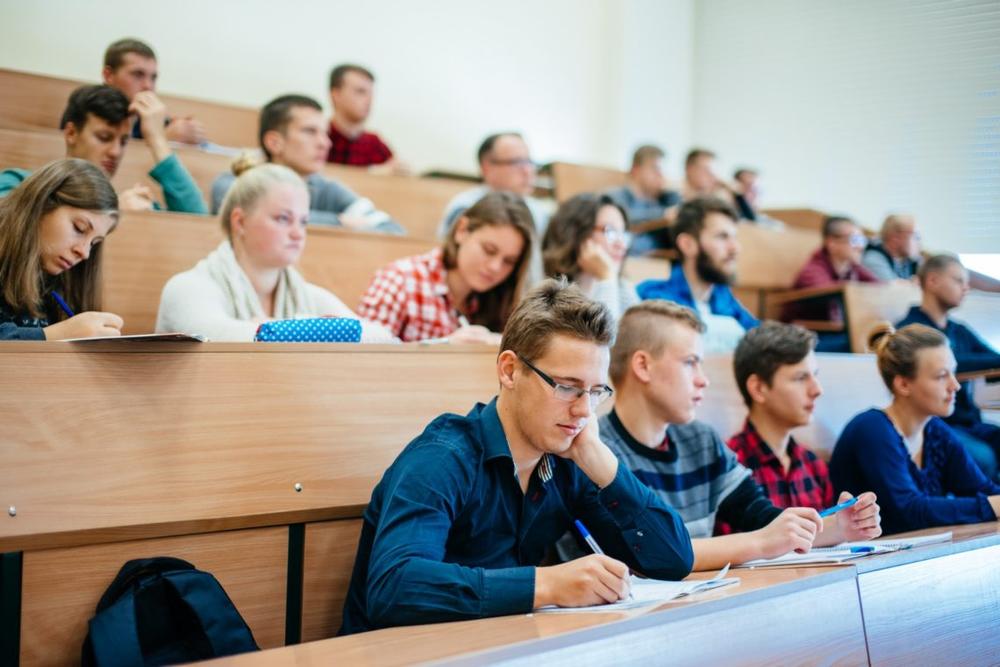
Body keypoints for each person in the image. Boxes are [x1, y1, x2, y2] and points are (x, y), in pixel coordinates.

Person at [340, 280, 694, 634]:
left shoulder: (569, 460)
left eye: (596, 391)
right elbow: (394, 587)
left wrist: (602, 462)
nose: (584, 410)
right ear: (509, 370)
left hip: (499, 648)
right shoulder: (442, 457)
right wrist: (546, 584)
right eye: (567, 387)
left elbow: (673, 561)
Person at [601, 301, 879, 570]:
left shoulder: (701, 440)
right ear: (643, 366)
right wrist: (761, 542)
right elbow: (644, 556)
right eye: (690, 362)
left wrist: (839, 527)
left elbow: (761, 518)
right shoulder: (599, 453)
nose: (703, 380)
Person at [157, 162, 394, 342]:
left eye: (303, 221)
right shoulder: (186, 287)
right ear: (240, 221)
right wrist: (309, 330)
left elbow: (383, 339)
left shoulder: (310, 295)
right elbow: (215, 336)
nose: (298, 233)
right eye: (283, 218)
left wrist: (281, 328)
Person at [829, 324, 1000, 535]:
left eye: (953, 372)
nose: (955, 385)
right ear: (903, 385)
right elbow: (909, 510)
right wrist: (991, 505)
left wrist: (994, 502)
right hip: (870, 554)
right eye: (941, 376)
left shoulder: (935, 430)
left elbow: (985, 490)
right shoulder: (871, 429)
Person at [211, 95, 402, 234]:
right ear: (274, 143)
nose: (325, 143)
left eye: (325, 133)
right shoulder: (233, 184)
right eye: (310, 132)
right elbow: (258, 216)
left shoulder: (327, 189)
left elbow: (392, 229)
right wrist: (339, 223)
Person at [0, 85, 206, 214]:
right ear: (71, 133)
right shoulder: (18, 183)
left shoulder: (131, 204)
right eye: (104, 138)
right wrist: (109, 215)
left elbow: (197, 221)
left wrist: (157, 140)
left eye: (123, 141)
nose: (116, 152)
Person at [358, 192, 533, 343]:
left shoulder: (502, 299)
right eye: (489, 250)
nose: (495, 267)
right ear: (462, 230)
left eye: (509, 261)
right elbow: (363, 355)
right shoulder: (399, 280)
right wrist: (444, 346)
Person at [896, 254, 1000, 480]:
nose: (966, 288)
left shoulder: (958, 330)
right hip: (934, 423)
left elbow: (994, 358)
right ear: (932, 281)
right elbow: (955, 361)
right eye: (958, 280)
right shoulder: (909, 331)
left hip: (968, 422)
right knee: (983, 457)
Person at [0, 158, 123, 340]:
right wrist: (59, 334)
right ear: (42, 203)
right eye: (79, 228)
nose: (85, 253)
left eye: (94, 243)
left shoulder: (53, 277)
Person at [727, 322, 834, 512]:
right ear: (758, 388)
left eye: (815, 375)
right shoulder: (729, 465)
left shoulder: (813, 465)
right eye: (800, 378)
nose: (817, 390)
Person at [637, 197, 758, 352]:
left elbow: (760, 336)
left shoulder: (724, 297)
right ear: (687, 245)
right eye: (722, 237)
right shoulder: (652, 297)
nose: (735, 248)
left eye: (734, 237)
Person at [783, 216, 880, 351]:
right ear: (832, 243)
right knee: (864, 343)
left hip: (838, 333)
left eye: (862, 240)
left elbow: (879, 286)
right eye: (855, 240)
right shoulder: (812, 270)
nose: (860, 246)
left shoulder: (853, 267)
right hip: (808, 339)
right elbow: (831, 291)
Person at [542, 193, 638, 322]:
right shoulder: (548, 295)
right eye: (610, 231)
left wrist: (608, 278)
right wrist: (606, 278)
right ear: (575, 233)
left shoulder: (621, 286)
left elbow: (642, 332)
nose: (621, 245)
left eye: (623, 234)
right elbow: (604, 334)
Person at [438, 133, 548, 238]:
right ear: (487, 168)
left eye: (529, 161)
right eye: (516, 162)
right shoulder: (466, 209)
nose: (528, 171)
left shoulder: (538, 212)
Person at [101, 38, 205, 145]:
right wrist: (163, 139)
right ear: (108, 76)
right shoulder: (93, 115)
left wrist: (189, 133)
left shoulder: (146, 116)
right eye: (138, 74)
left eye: (153, 78)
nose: (148, 86)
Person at [605, 145, 682, 255]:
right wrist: (663, 214)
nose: (661, 175)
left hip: (660, 261)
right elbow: (620, 221)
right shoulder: (615, 197)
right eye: (655, 169)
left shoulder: (666, 200)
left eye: (662, 170)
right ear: (636, 170)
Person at [325, 64, 397, 169]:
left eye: (371, 94)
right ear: (336, 94)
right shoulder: (319, 138)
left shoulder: (375, 144)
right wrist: (373, 173)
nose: (369, 100)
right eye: (361, 92)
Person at [682, 149, 755, 221]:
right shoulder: (678, 195)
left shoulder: (714, 195)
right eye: (707, 170)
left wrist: (737, 195)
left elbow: (751, 219)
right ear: (689, 169)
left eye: (714, 172)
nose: (714, 177)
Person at [862, 214, 921, 281]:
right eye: (914, 235)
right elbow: (891, 286)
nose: (917, 241)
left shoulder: (909, 262)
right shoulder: (873, 258)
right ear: (895, 238)